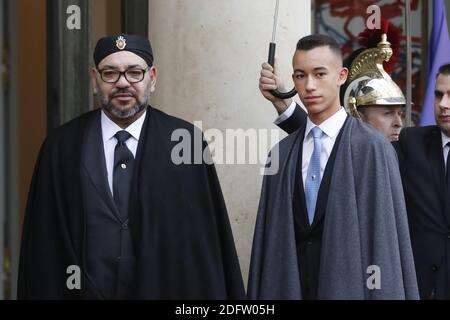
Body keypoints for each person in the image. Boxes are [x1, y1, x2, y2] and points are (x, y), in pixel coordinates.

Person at [18, 34, 245, 299]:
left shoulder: (185, 142)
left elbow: (204, 247)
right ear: (94, 79)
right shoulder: (61, 147)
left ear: (153, 77)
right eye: (110, 73)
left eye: (135, 72)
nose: (123, 83)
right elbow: (44, 246)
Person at [247, 34, 418, 299]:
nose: (310, 86)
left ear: (341, 76)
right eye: (300, 76)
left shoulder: (373, 149)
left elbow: (383, 243)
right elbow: (270, 244)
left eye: (319, 74)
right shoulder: (280, 156)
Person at [260, 34, 405, 141]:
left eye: (401, 114)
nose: (399, 123)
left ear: (342, 76)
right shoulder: (284, 151)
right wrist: (280, 100)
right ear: (358, 115)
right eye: (387, 113)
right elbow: (319, 134)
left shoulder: (407, 149)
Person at [394, 63, 450, 299]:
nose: (443, 105)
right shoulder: (411, 141)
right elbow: (361, 154)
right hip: (421, 287)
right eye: (438, 95)